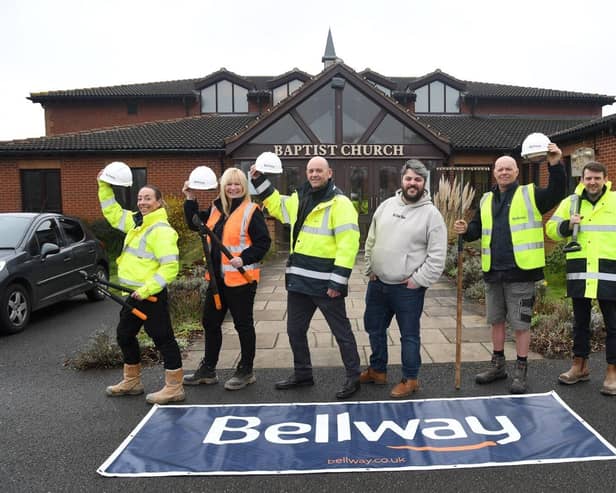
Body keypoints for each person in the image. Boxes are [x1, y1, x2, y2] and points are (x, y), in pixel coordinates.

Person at [454, 143, 566, 394]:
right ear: (494, 172)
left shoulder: (531, 194)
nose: (504, 173)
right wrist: (465, 230)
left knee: (521, 324)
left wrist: (556, 164)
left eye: (508, 169)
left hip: (521, 271)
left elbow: (558, 191)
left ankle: (521, 370)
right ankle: (498, 366)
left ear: (517, 172)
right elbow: (476, 229)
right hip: (493, 271)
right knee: (496, 321)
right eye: (500, 169)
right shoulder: (486, 199)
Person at [250, 156, 362, 399]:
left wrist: (338, 281)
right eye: (311, 170)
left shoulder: (340, 204)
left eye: (319, 170)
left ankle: (354, 377)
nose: (314, 174)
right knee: (294, 331)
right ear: (306, 173)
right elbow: (276, 205)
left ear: (329, 173)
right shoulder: (299, 197)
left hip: (326, 284)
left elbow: (349, 244)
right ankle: (303, 374)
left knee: (341, 333)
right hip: (299, 282)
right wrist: (258, 179)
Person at [361, 159, 447, 398]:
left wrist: (417, 281)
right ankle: (378, 370)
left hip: (407, 289)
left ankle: (410, 379)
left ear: (424, 183)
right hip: (378, 284)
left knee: (409, 335)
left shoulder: (432, 215)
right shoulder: (386, 206)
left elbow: (437, 256)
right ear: (402, 180)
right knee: (374, 328)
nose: (412, 183)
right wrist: (370, 268)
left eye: (418, 180)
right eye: (409, 178)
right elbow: (371, 239)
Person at [98, 175, 184, 404]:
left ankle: (175, 387)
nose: (142, 202)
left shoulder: (162, 230)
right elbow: (113, 212)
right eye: (140, 198)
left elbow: (170, 267)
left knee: (163, 339)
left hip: (151, 296)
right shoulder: (137, 222)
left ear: (158, 202)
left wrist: (147, 290)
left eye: (148, 198)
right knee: (124, 335)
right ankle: (132, 381)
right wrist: (104, 185)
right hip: (131, 295)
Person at [182, 168, 271, 390]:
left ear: (244, 187)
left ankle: (246, 370)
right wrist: (190, 198)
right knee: (210, 323)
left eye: (237, 184)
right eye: (228, 184)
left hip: (241, 280)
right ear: (223, 187)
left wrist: (244, 258)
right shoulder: (216, 209)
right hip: (216, 281)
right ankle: (208, 370)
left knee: (243, 325)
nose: (233, 188)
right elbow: (195, 224)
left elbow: (263, 243)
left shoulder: (251, 211)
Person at [546, 161, 616, 395]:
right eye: (589, 178)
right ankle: (579, 365)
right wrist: (567, 225)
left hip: (610, 271)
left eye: (597, 178)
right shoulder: (570, 203)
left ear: (605, 179)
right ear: (582, 180)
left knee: (613, 325)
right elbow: (551, 230)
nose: (593, 182)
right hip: (580, 270)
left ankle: (612, 371)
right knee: (580, 323)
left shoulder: (615, 202)